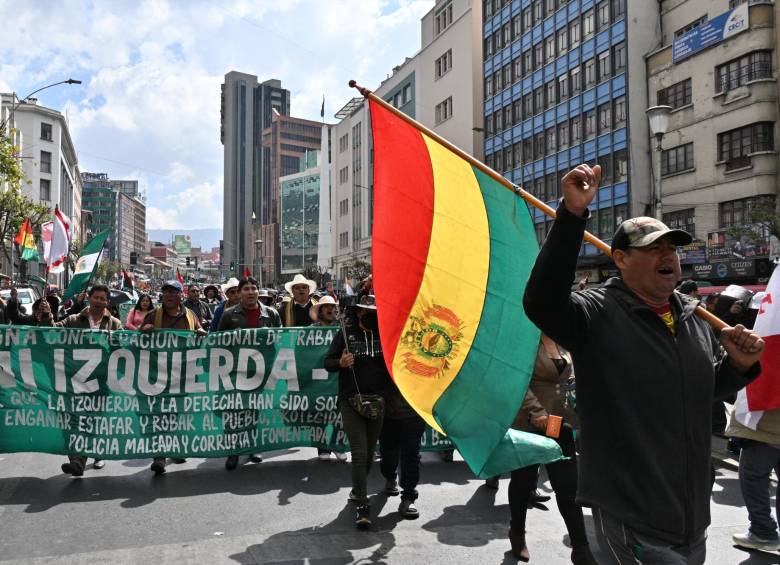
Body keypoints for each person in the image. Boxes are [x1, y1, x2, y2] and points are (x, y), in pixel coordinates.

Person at [523, 163, 764, 564]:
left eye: (671, 248)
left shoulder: (694, 318)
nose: (667, 255)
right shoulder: (596, 312)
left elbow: (701, 391)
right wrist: (571, 215)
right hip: (631, 512)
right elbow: (542, 302)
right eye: (653, 248)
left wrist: (737, 367)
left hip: (691, 515)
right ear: (619, 258)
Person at [506, 336, 595, 564]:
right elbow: (517, 379)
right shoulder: (525, 342)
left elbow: (568, 380)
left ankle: (580, 549)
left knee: (568, 488)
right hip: (529, 425)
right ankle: (517, 533)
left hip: (560, 425)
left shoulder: (563, 340)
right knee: (523, 483)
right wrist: (535, 412)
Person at [39, 284, 121, 477]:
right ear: (89, 298)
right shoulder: (74, 320)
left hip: (101, 382)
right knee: (71, 421)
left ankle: (89, 455)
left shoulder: (115, 324)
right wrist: (46, 315)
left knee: (92, 421)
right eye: (96, 297)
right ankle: (77, 459)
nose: (99, 301)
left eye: (103, 298)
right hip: (74, 380)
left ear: (107, 302)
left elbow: (123, 348)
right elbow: (50, 332)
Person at [324, 295, 391, 529]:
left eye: (374, 311)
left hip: (379, 402)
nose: (369, 314)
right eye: (365, 311)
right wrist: (340, 363)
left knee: (370, 453)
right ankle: (363, 506)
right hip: (351, 400)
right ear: (358, 312)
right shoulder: (345, 334)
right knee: (360, 454)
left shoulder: (385, 334)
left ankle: (356, 490)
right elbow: (327, 362)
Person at [141, 280, 206, 475]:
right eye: (166, 292)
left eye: (173, 292)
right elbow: (139, 339)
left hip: (183, 373)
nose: (169, 295)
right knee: (160, 414)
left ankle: (175, 448)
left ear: (181, 295)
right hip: (158, 374)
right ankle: (159, 455)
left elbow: (199, 331)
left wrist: (201, 332)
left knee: (178, 413)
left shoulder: (190, 315)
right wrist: (143, 332)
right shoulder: (154, 315)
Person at [219, 276, 281, 469]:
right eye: (246, 289)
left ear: (258, 291)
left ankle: (253, 446)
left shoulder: (271, 314)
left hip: (262, 371)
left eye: (254, 288)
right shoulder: (229, 315)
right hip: (236, 371)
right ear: (239, 293)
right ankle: (233, 450)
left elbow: (280, 339)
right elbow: (220, 341)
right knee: (234, 410)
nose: (251, 292)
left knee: (254, 409)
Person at [726, 406, 780, 552]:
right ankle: (763, 530)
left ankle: (763, 531)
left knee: (752, 476)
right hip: (768, 422)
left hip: (765, 423)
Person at [379, 379, 426, 520]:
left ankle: (408, 496)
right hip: (388, 412)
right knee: (388, 451)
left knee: (411, 455)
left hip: (414, 411)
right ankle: (390, 476)